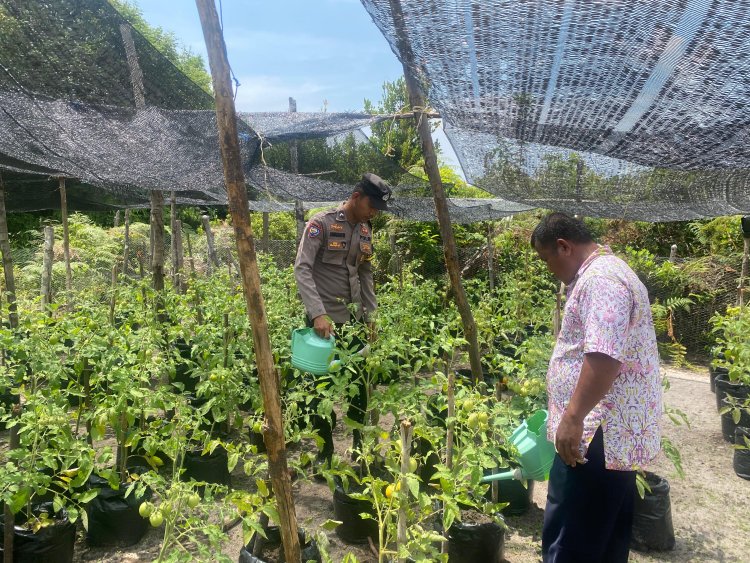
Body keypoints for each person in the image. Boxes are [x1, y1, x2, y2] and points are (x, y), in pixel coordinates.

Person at [531, 212, 662, 563]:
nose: (548, 269)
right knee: (601, 538)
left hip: (595, 434)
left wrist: (573, 418)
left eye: (547, 259)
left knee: (573, 538)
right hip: (609, 432)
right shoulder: (610, 272)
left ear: (564, 246)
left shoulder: (601, 280)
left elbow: (604, 357)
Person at [293, 172, 392, 464]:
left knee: (358, 387)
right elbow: (302, 269)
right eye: (371, 205)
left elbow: (366, 273)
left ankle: (359, 448)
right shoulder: (320, 223)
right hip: (323, 325)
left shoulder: (365, 230)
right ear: (356, 197)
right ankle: (324, 449)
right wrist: (317, 314)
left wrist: (371, 316)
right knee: (318, 389)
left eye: (378, 208)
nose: (374, 212)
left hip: (355, 323)